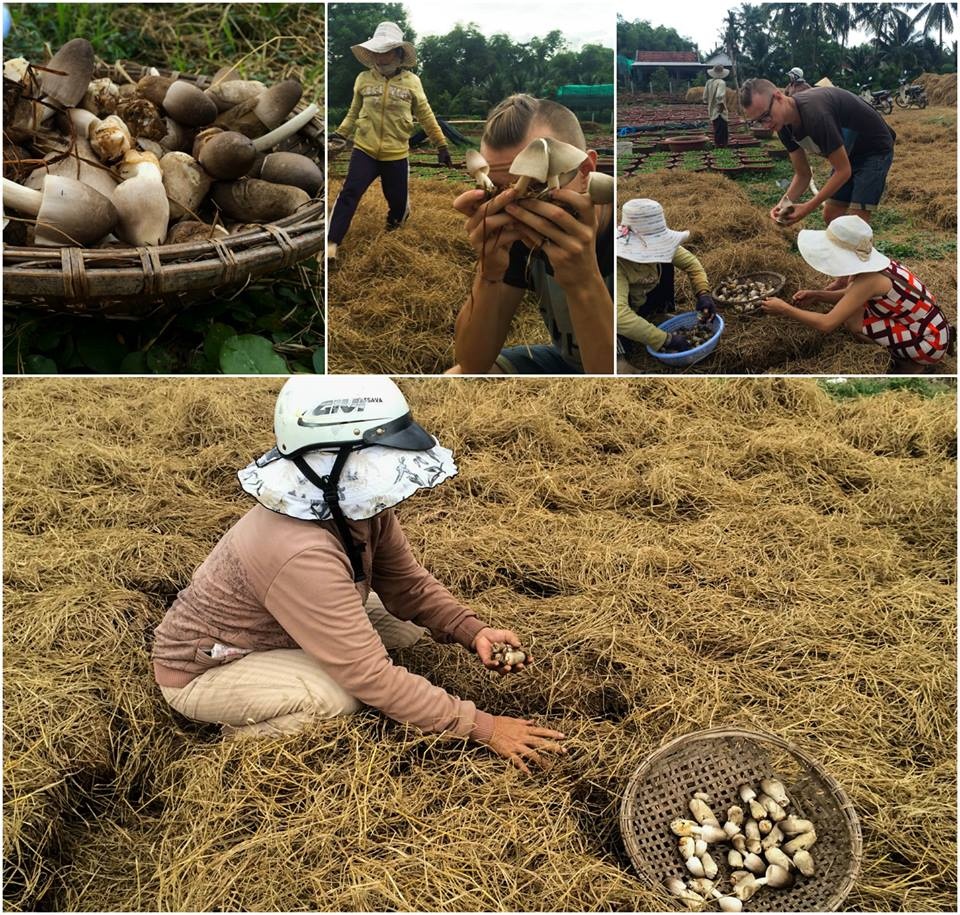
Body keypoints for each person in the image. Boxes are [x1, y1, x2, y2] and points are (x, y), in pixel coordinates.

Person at [152, 377, 567, 773]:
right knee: (337, 697)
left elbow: (406, 584)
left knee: (406, 632)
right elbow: (370, 676)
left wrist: (469, 629)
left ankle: (305, 665)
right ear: (333, 466)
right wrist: (485, 727)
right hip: (211, 666)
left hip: (280, 622)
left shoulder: (356, 509)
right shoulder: (297, 549)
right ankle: (237, 740)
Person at [448, 94, 614, 375]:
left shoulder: (631, 231)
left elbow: (617, 379)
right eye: (501, 190)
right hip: (565, 362)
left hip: (623, 362)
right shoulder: (515, 230)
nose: (519, 206)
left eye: (537, 186)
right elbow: (471, 365)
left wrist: (583, 280)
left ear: (586, 170)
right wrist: (489, 274)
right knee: (454, 378)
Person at [760, 215, 953, 373]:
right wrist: (818, 295)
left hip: (930, 342)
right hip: (933, 327)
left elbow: (826, 324)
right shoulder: (880, 269)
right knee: (855, 309)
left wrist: (784, 309)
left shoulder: (869, 280)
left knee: (853, 322)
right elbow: (853, 294)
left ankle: (911, 362)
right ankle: (909, 353)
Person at [326, 22, 451, 261]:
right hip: (365, 149)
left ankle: (393, 233)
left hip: (396, 153)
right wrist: (340, 134)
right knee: (349, 193)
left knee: (398, 204)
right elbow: (354, 111)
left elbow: (425, 115)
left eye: (386, 52)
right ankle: (331, 244)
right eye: (377, 52)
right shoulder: (363, 79)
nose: (381, 58)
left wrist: (441, 145)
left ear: (399, 54)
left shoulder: (412, 82)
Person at [739, 78, 895, 229]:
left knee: (855, 226)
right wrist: (783, 205)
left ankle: (858, 251)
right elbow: (803, 175)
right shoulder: (782, 126)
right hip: (847, 152)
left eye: (766, 116)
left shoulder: (815, 114)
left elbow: (843, 171)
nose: (765, 125)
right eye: (758, 121)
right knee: (831, 217)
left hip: (873, 149)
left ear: (778, 97)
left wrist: (807, 207)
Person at [615, 198, 716, 365]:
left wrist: (703, 293)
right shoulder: (617, 262)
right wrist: (665, 340)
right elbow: (619, 316)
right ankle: (619, 359)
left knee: (666, 263)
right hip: (619, 312)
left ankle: (658, 314)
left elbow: (692, 264)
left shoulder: (663, 246)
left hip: (646, 296)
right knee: (617, 336)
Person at [702, 64, 730, 148]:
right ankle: (722, 145)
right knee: (722, 128)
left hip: (712, 109)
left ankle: (717, 144)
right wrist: (721, 105)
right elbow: (719, 96)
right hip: (719, 110)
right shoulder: (721, 83)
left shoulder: (709, 82)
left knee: (716, 128)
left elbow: (705, 97)